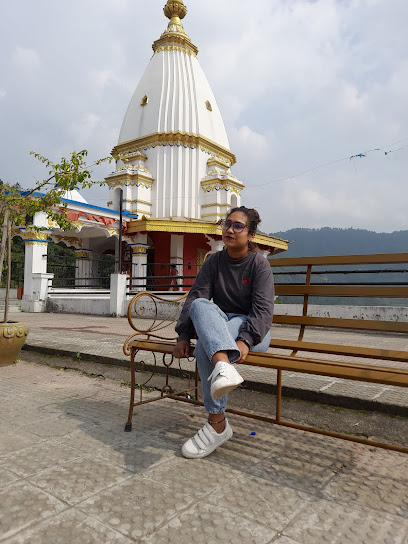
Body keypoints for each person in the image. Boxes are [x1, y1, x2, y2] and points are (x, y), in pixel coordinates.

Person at [173, 206, 274, 459]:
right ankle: (223, 367)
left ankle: (217, 424)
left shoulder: (259, 265)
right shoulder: (214, 262)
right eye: (227, 224)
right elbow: (196, 297)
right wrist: (183, 335)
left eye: (238, 226)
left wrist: (246, 341)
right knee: (199, 305)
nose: (230, 229)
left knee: (206, 345)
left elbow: (263, 311)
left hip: (252, 331)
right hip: (221, 325)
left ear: (251, 234)